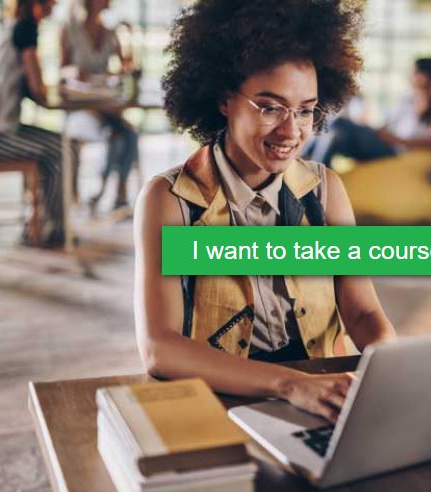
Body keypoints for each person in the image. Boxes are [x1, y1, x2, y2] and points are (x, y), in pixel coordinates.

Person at [134, 0, 396, 423]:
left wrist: (395, 367)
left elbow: (363, 313)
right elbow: (159, 347)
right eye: (270, 107)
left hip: (323, 393)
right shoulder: (170, 199)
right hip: (223, 395)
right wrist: (289, 384)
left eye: (306, 110)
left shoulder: (326, 190)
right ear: (224, 99)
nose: (291, 131)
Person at [0, 0, 70, 247]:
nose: (56, 3)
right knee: (61, 149)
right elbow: (38, 89)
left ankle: (45, 225)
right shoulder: (26, 30)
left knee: (59, 145)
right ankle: (51, 230)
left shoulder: (14, 26)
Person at [61, 0, 139, 211]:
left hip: (106, 108)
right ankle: (101, 190)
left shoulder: (110, 32)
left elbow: (126, 66)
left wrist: (129, 47)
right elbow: (62, 70)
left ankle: (118, 193)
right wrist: (74, 72)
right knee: (114, 137)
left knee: (130, 135)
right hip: (80, 110)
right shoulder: (69, 30)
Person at [305, 56, 431, 166]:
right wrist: (374, 130)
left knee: (338, 123)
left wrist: (398, 141)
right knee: (332, 133)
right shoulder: (408, 100)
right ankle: (308, 170)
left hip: (393, 149)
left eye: (415, 72)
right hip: (382, 140)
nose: (410, 76)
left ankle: (310, 170)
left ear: (427, 76)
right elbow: (386, 126)